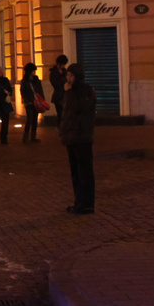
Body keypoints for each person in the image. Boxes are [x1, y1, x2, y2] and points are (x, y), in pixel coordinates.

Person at [59, 64, 97, 213]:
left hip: (82, 136)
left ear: (78, 76)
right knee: (75, 172)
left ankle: (87, 204)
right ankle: (79, 201)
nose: (68, 79)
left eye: (71, 76)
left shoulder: (85, 91)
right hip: (71, 137)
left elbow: (78, 108)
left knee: (85, 172)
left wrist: (69, 93)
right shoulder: (71, 91)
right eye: (67, 76)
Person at [19, 63, 45, 143]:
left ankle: (33, 137)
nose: (34, 72)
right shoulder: (25, 81)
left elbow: (40, 90)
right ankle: (26, 137)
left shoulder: (36, 79)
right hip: (29, 102)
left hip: (36, 102)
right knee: (29, 119)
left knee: (34, 120)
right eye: (33, 70)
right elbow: (23, 92)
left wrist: (42, 100)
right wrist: (27, 101)